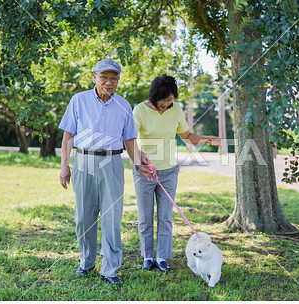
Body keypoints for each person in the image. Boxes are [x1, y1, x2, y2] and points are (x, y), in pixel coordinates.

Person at [58, 59, 153, 285]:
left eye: (114, 78)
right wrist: (64, 165)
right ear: (94, 77)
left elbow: (129, 139)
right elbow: (68, 136)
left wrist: (139, 161)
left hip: (111, 163)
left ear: (118, 80)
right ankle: (86, 262)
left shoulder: (124, 104)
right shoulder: (78, 100)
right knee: (83, 218)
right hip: (84, 162)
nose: (109, 83)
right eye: (104, 77)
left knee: (112, 219)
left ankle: (110, 269)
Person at [132, 74, 221, 271]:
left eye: (170, 100)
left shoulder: (176, 110)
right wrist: (139, 160)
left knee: (165, 217)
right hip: (144, 172)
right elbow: (129, 139)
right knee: (145, 217)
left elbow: (187, 136)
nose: (166, 104)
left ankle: (162, 257)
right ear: (154, 97)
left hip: (169, 171)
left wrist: (207, 139)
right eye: (162, 100)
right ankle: (147, 257)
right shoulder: (139, 110)